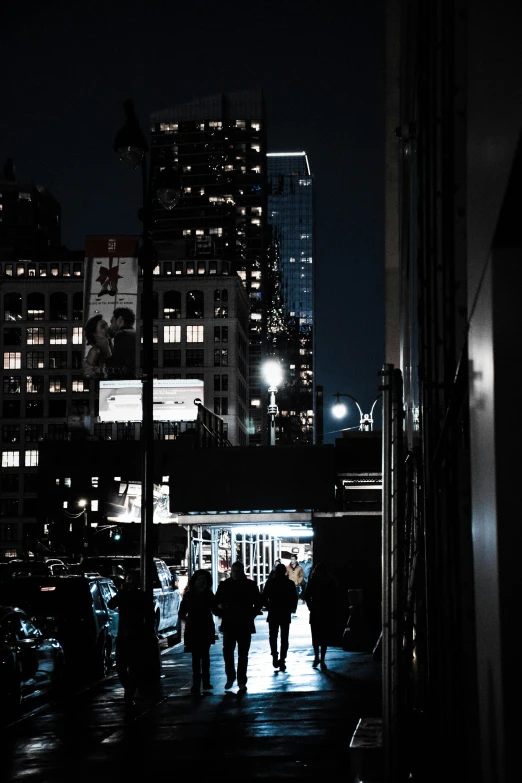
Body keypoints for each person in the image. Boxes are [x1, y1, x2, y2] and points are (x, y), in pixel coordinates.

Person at [107, 569, 156, 704]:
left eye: (134, 579)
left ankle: (130, 692)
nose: (131, 582)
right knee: (121, 667)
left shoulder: (143, 596)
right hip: (123, 635)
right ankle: (129, 688)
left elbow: (150, 616)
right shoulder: (123, 595)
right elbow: (111, 604)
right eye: (129, 579)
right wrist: (122, 592)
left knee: (134, 666)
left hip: (137, 635)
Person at [214, 560, 263, 693]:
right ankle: (239, 680)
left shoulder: (225, 585)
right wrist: (251, 614)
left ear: (241, 572)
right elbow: (258, 603)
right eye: (233, 572)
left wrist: (221, 610)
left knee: (233, 652)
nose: (234, 574)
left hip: (232, 622)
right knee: (239, 653)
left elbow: (216, 602)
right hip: (242, 622)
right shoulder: (249, 585)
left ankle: (234, 678)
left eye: (236, 572)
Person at [178, 569, 218, 695]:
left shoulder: (206, 595)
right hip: (196, 628)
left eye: (204, 581)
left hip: (203, 627)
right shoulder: (191, 595)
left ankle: (202, 682)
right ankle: (199, 682)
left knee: (204, 656)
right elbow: (181, 613)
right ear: (195, 581)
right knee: (197, 657)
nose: (202, 583)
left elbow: (216, 609)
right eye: (200, 580)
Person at [261, 563, 298, 671]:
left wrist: (269, 606)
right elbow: (294, 598)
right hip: (285, 612)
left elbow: (263, 597)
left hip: (273, 612)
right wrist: (291, 609)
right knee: (284, 637)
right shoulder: (289, 583)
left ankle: (274, 655)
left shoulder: (270, 583)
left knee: (273, 636)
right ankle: (282, 659)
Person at [304, 562, 338, 670]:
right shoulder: (330, 581)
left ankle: (316, 657)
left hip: (315, 610)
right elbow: (335, 596)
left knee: (315, 636)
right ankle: (322, 660)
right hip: (326, 611)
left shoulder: (313, 581)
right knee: (324, 637)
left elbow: (306, 596)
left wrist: (310, 606)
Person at [106, 306, 136, 378]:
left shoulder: (121, 334)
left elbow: (116, 362)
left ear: (120, 320)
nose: (110, 326)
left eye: (112, 321)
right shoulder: (134, 333)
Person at [84, 313, 112, 377]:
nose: (107, 328)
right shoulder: (94, 351)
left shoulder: (110, 346)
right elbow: (89, 375)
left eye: (106, 325)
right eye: (103, 327)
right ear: (94, 333)